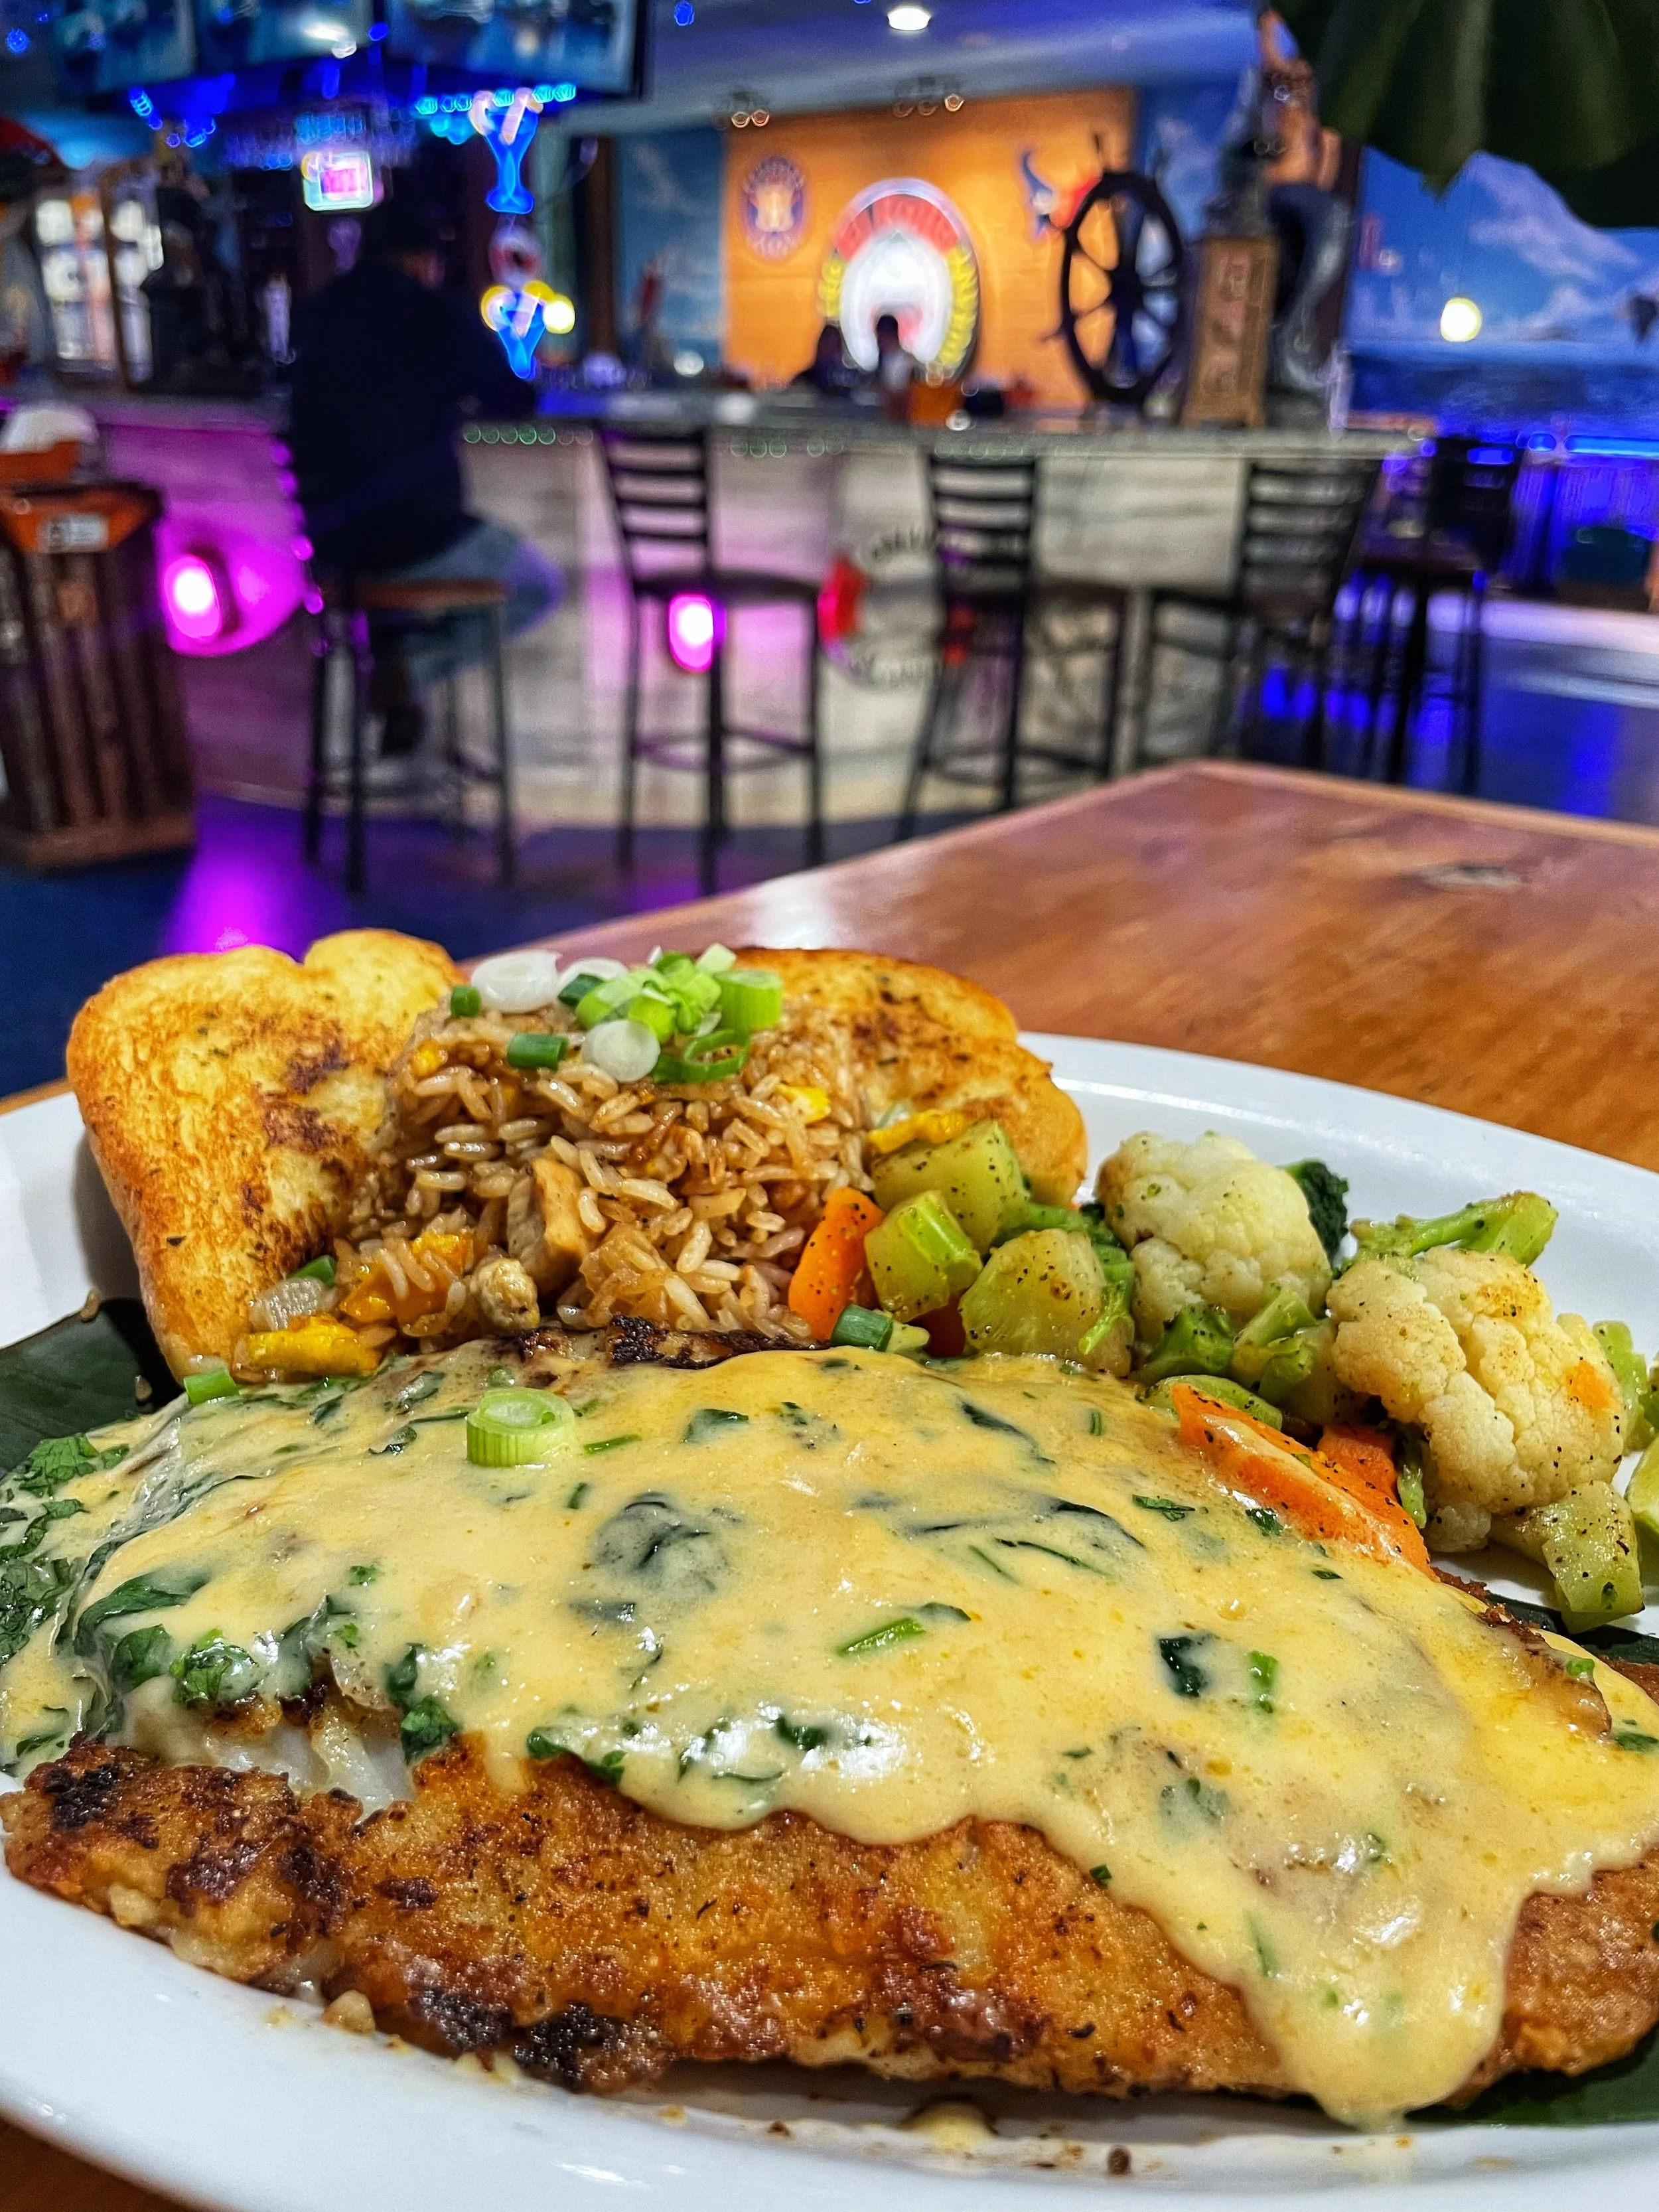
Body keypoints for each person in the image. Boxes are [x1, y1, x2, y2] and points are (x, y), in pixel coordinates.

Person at [288, 194, 562, 755]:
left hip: (331, 548)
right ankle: (411, 667)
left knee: (392, 572)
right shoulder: (438, 314)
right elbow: (513, 400)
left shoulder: (317, 315)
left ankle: (397, 668)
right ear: (421, 261)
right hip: (418, 540)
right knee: (538, 587)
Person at [871, 311, 920, 417]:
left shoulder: (907, 361)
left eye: (882, 336)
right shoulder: (886, 358)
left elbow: (907, 396)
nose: (879, 341)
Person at [792, 321, 858, 396]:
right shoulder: (805, 378)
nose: (830, 348)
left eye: (834, 344)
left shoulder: (852, 377)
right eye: (826, 343)